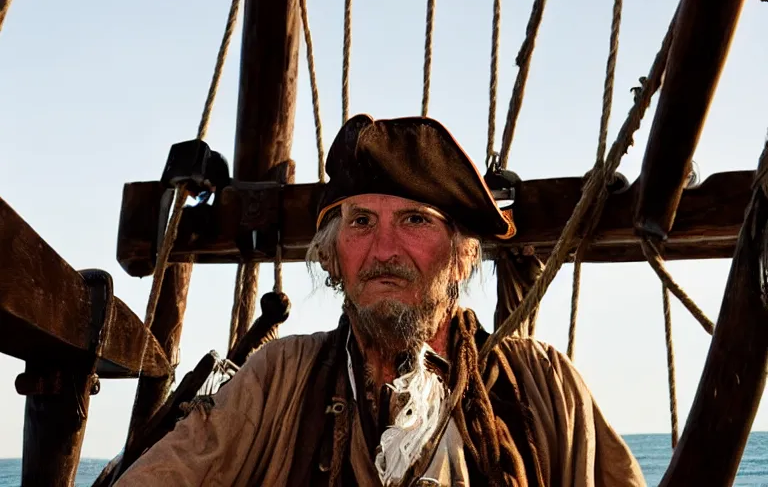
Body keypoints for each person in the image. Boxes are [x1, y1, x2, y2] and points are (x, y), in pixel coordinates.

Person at [115, 115, 646, 486]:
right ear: (332, 256)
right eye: (361, 222)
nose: (383, 250)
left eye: (414, 220)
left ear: (463, 256)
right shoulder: (279, 376)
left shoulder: (544, 384)